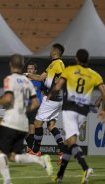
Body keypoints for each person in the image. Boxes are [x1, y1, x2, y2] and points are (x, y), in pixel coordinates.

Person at [0, 54, 53, 184]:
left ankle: (7, 181)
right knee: (12, 156)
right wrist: (24, 111)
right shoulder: (28, 82)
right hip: (22, 122)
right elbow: (35, 103)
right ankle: (39, 160)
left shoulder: (10, 79)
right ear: (22, 66)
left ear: (11, 65)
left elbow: (8, 99)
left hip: (11, 120)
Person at [49, 49, 105, 183]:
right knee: (69, 143)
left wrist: (50, 94)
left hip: (70, 109)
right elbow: (104, 93)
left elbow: (58, 86)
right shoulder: (95, 75)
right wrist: (103, 110)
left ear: (76, 59)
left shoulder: (69, 70)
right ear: (87, 60)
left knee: (72, 142)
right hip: (83, 112)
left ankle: (86, 168)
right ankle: (60, 175)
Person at [26, 43, 65, 163]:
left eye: (51, 49)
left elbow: (61, 81)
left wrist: (51, 94)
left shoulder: (59, 64)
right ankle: (63, 151)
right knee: (51, 126)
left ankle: (35, 151)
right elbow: (39, 78)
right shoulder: (52, 65)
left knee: (37, 122)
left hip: (52, 98)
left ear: (54, 51)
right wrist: (27, 75)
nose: (50, 51)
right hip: (56, 100)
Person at [24, 62, 43, 151]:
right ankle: (30, 147)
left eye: (31, 68)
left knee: (32, 127)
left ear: (35, 70)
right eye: (28, 68)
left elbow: (44, 92)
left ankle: (30, 149)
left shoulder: (39, 80)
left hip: (35, 106)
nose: (29, 70)